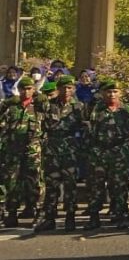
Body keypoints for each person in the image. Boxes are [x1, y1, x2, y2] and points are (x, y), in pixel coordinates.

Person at [36, 74, 86, 232]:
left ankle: (70, 218)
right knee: (52, 185)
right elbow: (41, 125)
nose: (66, 90)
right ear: (58, 89)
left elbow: (85, 128)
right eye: (63, 87)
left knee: (70, 185)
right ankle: (50, 218)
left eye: (69, 87)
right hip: (52, 149)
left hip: (70, 150)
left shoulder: (79, 107)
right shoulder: (49, 105)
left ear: (74, 89)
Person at [85, 80, 129, 230]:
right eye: (109, 91)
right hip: (99, 152)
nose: (112, 94)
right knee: (96, 186)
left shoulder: (127, 110)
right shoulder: (96, 109)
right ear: (103, 93)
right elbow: (89, 130)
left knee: (119, 186)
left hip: (119, 152)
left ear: (120, 93)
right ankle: (94, 216)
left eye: (115, 91)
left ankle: (121, 215)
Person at [1, 76, 47, 228]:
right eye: (23, 89)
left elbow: (50, 107)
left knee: (35, 182)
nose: (26, 92)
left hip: (33, 150)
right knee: (12, 183)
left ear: (33, 90)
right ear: (18, 90)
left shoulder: (38, 105)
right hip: (13, 150)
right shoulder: (12, 107)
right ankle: (12, 213)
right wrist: (7, 102)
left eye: (29, 89)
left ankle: (38, 212)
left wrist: (40, 96)